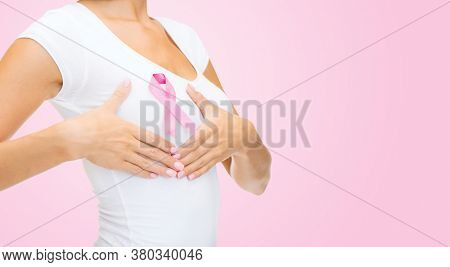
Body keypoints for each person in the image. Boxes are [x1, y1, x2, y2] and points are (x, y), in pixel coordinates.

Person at [0, 0, 271, 246]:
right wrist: (70, 140)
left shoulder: (185, 38)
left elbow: (255, 183)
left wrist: (246, 137)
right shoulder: (57, 35)